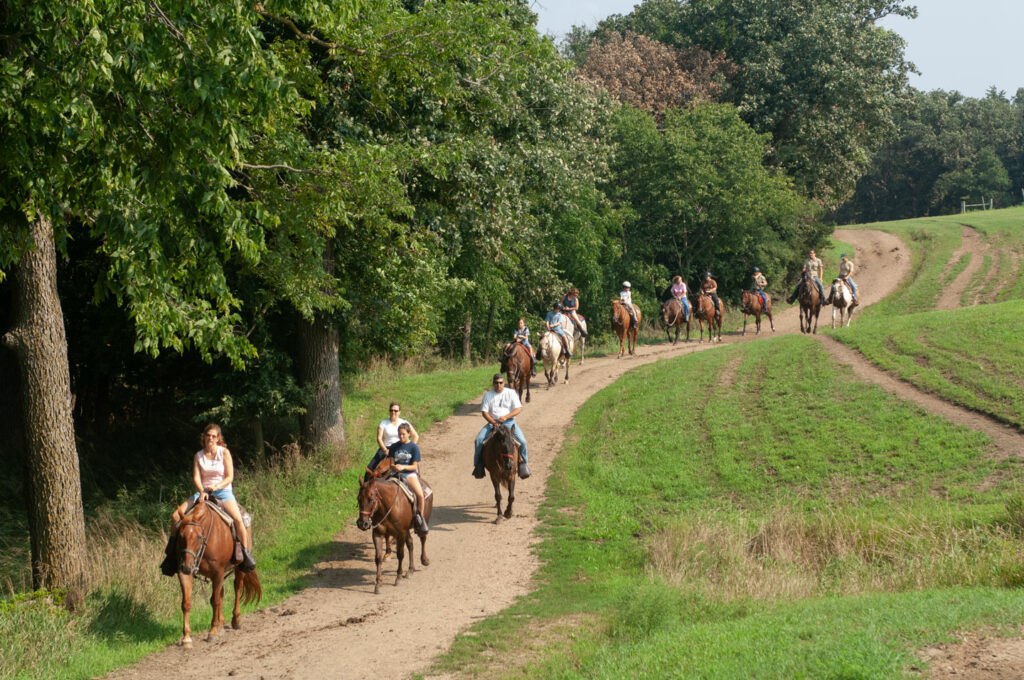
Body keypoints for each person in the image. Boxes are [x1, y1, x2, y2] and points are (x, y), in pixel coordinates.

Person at [161, 424, 256, 575]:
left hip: (223, 492)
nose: (210, 438)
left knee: (238, 519)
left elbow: (229, 477)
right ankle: (171, 555)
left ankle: (245, 555)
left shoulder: (224, 453)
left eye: (213, 436)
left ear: (218, 438)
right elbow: (196, 477)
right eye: (208, 435)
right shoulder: (198, 455)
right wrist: (201, 491)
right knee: (175, 516)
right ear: (204, 437)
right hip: (203, 492)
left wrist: (216, 487)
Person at [472, 373, 530, 480]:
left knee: (522, 441)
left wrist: (506, 417)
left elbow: (518, 409)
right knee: (479, 440)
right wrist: (493, 422)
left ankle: (523, 465)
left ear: (504, 383)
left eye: (501, 383)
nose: (498, 385)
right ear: (493, 383)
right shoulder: (488, 395)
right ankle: (478, 466)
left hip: (509, 422)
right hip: (492, 423)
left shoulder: (511, 393)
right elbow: (484, 412)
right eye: (496, 383)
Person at [385, 423, 429, 534]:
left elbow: (414, 466)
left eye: (403, 434)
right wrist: (394, 467)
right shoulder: (394, 446)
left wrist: (403, 466)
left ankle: (420, 519)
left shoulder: (414, 447)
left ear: (409, 434)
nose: (401, 436)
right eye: (399, 434)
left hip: (409, 474)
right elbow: (390, 463)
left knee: (419, 495)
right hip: (395, 473)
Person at [365, 402, 419, 481]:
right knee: (370, 468)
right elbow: (379, 438)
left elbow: (415, 436)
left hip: (400, 447)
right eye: (391, 410)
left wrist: (409, 448)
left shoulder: (404, 423)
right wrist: (385, 450)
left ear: (399, 412)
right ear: (389, 411)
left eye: (396, 410)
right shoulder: (383, 423)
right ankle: (365, 487)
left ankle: (418, 484)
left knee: (413, 466)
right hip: (386, 448)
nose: (393, 412)